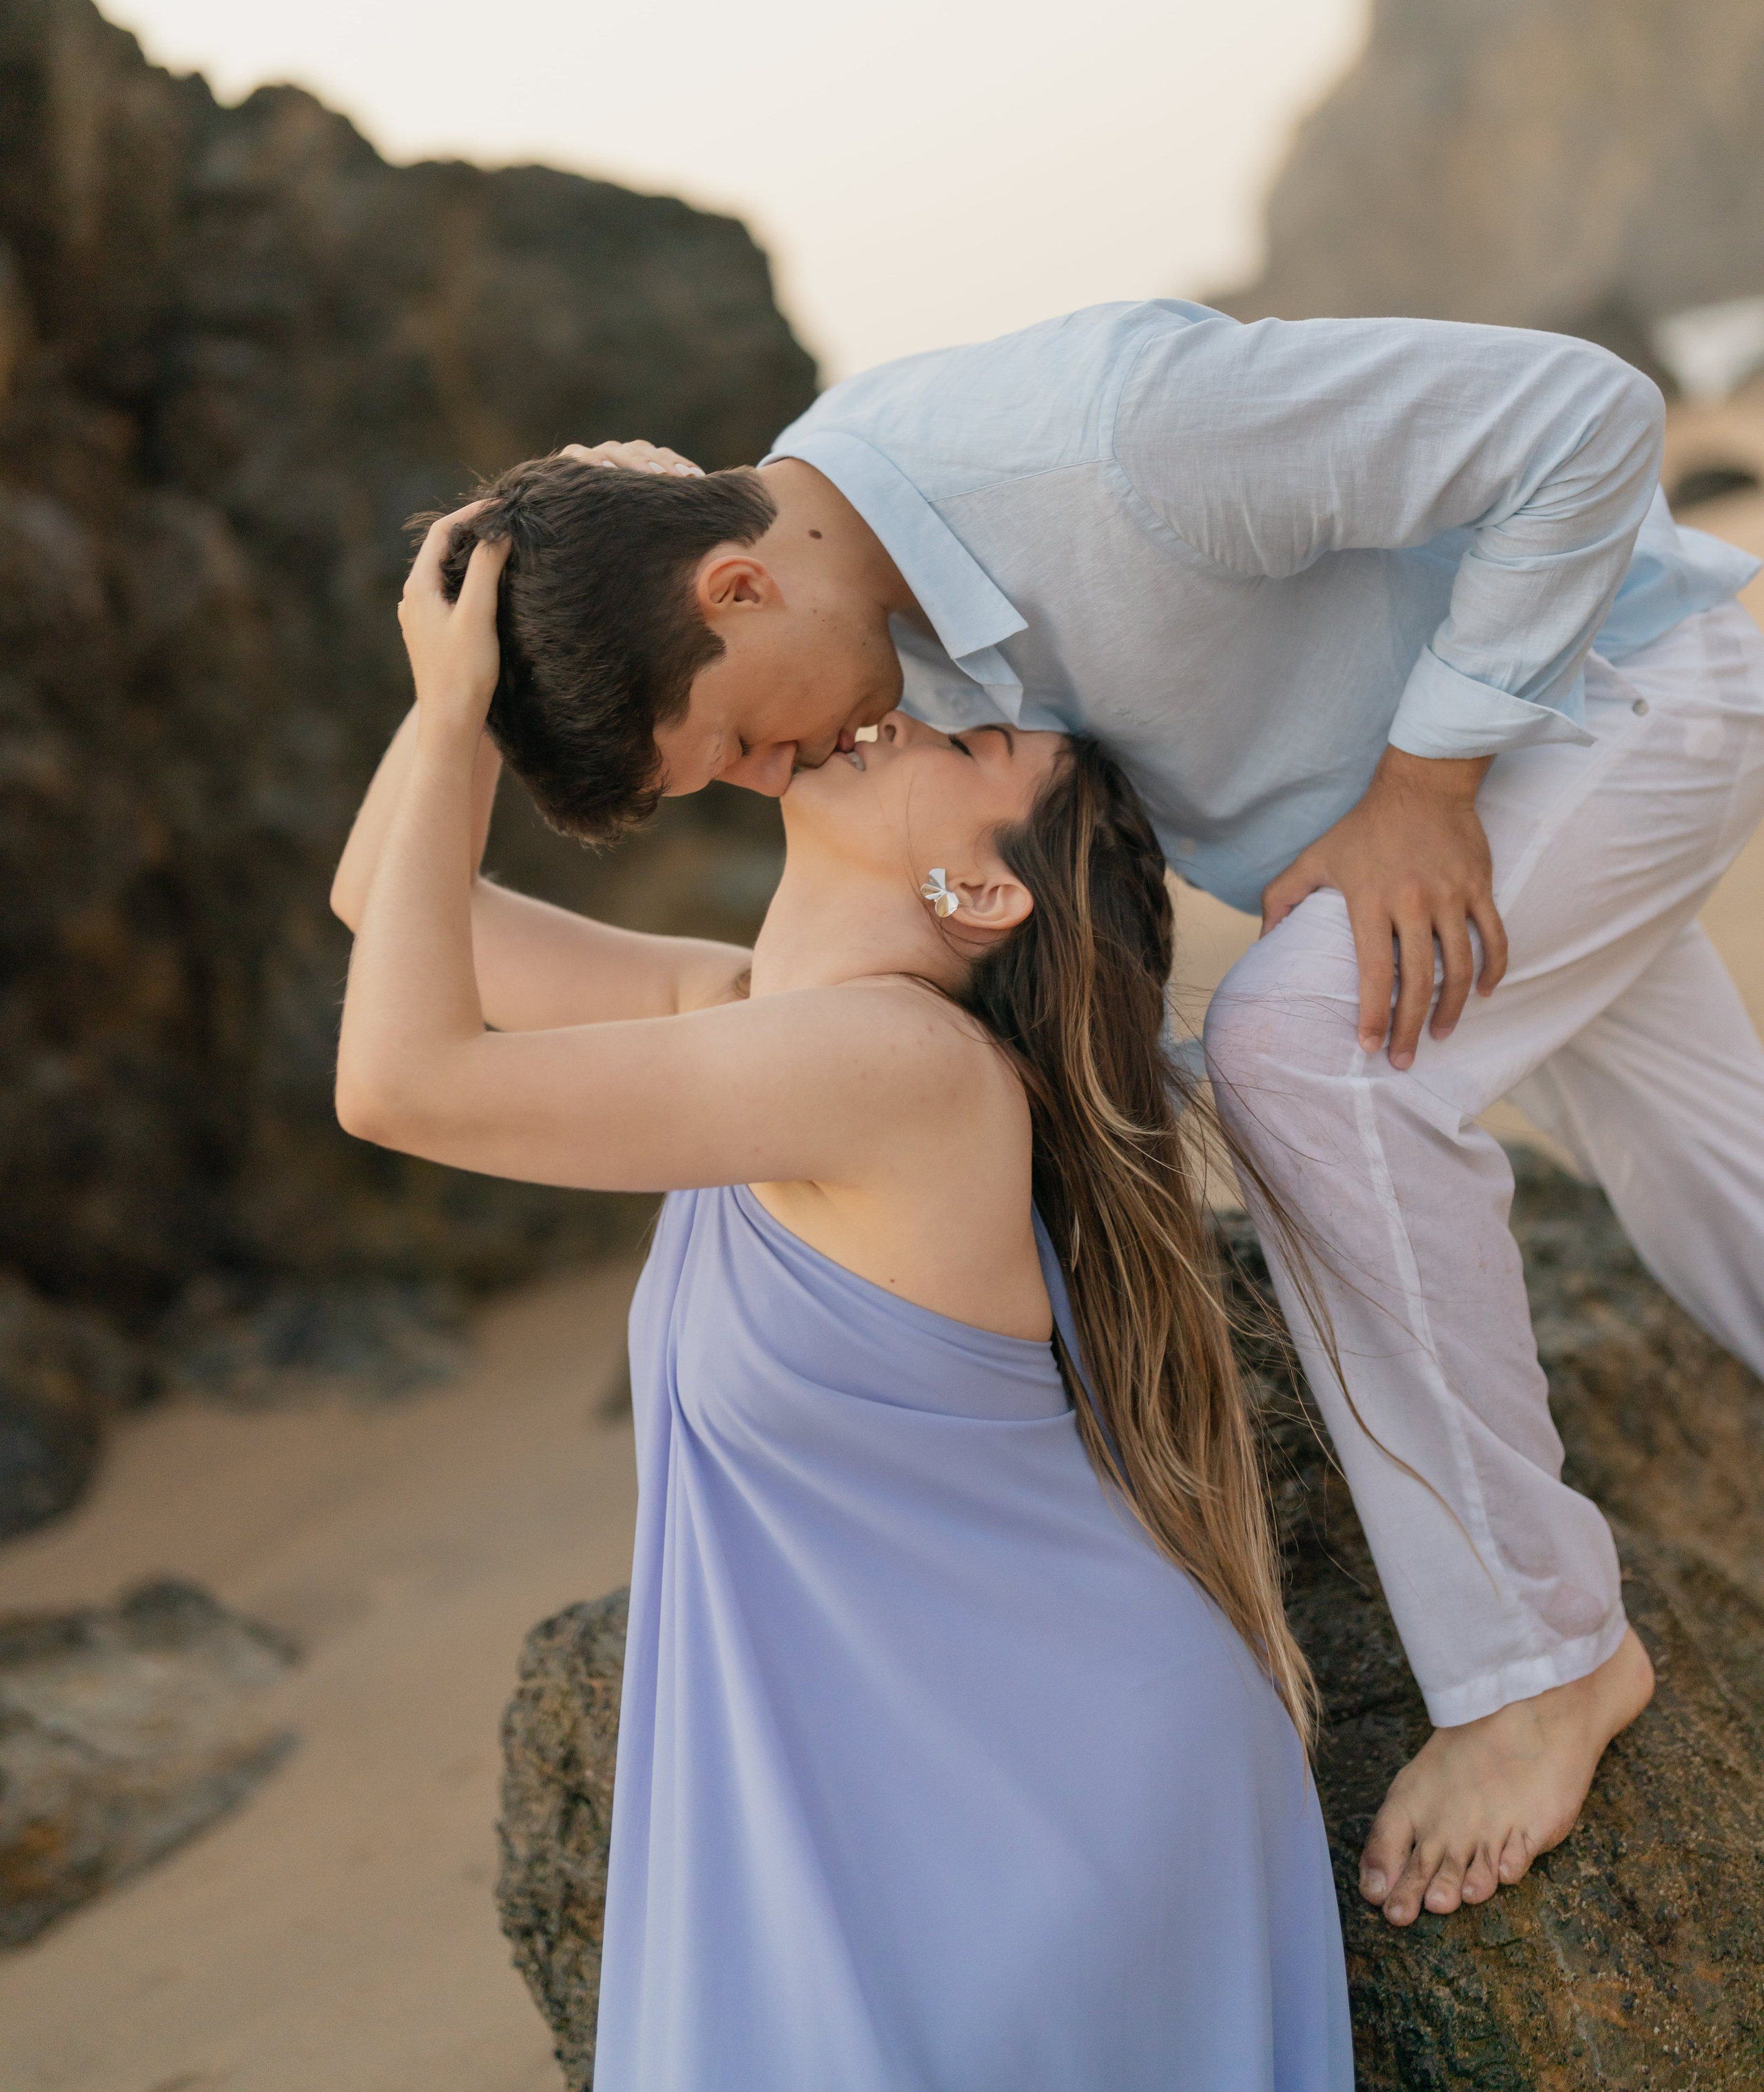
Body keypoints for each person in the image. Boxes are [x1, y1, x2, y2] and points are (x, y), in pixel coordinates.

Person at [476, 294, 1764, 1931]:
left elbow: (1581, 416)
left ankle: (1539, 1661)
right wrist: (467, 670)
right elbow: (622, 499)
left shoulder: (1106, 437)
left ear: (741, 586)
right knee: (1709, 1172)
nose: (771, 773)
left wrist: (1423, 789)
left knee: (1304, 1055)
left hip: (1613, 694)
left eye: (737, 735)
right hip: (1454, 810)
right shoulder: (835, 585)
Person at [329, 503, 1355, 2092]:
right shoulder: (741, 1016)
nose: (909, 710)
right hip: (943, 1777)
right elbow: (388, 908)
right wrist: (475, 662)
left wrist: (461, 706)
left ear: (982, 892)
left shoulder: (890, 1068)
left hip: (1032, 1801)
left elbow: (399, 1079)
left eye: (980, 737)